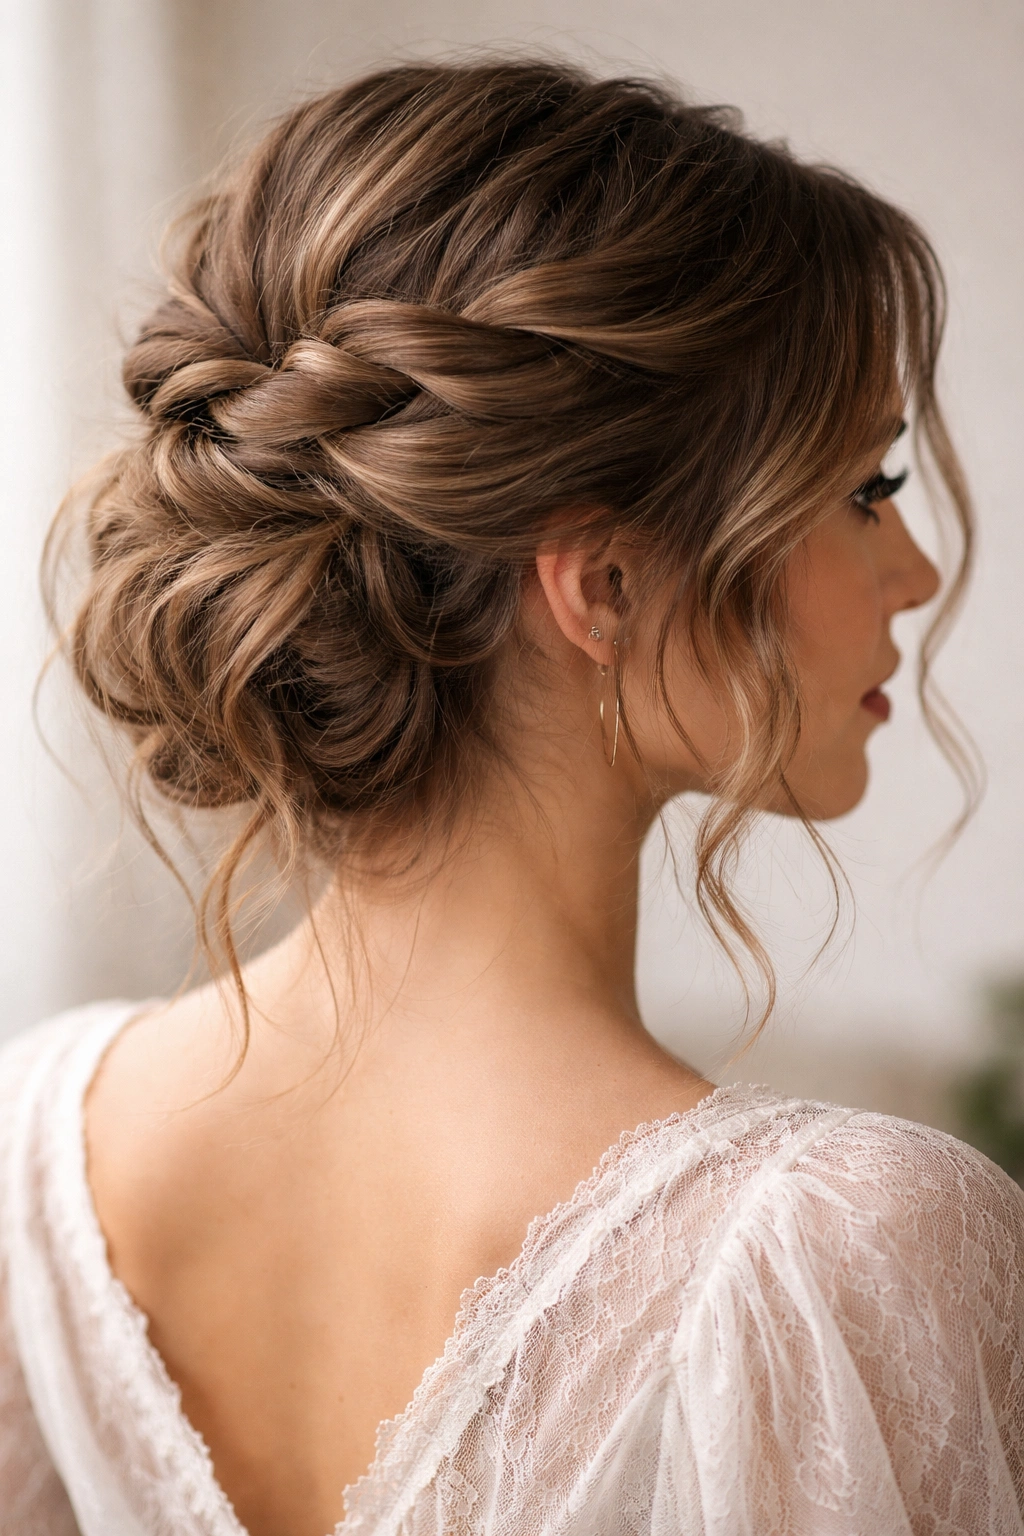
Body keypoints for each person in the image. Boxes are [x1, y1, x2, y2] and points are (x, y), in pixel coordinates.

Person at [1, 58, 1021, 1536]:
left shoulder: (32, 1156)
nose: (913, 574)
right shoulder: (838, 1257)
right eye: (865, 486)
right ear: (601, 583)